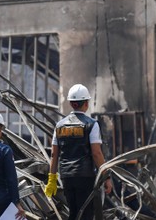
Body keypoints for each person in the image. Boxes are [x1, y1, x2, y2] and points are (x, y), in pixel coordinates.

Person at [44, 84, 112, 220]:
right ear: (86, 103)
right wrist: (106, 177)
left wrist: (52, 178)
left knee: (73, 213)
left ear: (71, 103)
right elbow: (96, 153)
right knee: (86, 214)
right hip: (85, 176)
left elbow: (54, 154)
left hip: (66, 177)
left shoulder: (59, 125)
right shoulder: (92, 124)